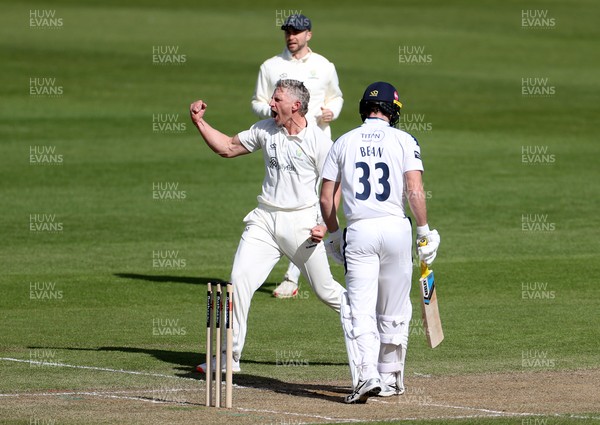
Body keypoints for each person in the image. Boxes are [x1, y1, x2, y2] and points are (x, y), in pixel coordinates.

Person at [190, 79, 345, 373]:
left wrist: (324, 225)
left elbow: (335, 186)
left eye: (277, 100)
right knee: (239, 279)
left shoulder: (320, 142)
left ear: (295, 106)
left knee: (327, 293)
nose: (270, 104)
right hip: (264, 219)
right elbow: (227, 147)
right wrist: (200, 123)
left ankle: (372, 328)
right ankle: (229, 357)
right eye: (272, 99)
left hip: (301, 225)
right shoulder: (265, 129)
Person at [319, 82, 440, 403]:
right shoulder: (405, 139)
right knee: (394, 307)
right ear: (394, 111)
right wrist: (425, 231)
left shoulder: (343, 141)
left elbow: (326, 197)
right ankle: (390, 377)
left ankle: (366, 375)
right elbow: (414, 189)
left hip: (360, 231)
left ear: (363, 109)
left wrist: (333, 236)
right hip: (397, 229)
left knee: (359, 308)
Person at [252, 13, 344, 298]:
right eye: (288, 32)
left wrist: (333, 112)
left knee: (317, 201)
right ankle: (300, 266)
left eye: (297, 32)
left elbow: (336, 96)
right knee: (288, 203)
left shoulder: (323, 66)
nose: (291, 37)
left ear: (309, 35)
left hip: (317, 141)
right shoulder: (271, 66)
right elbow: (258, 101)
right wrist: (270, 111)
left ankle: (293, 276)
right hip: (283, 141)